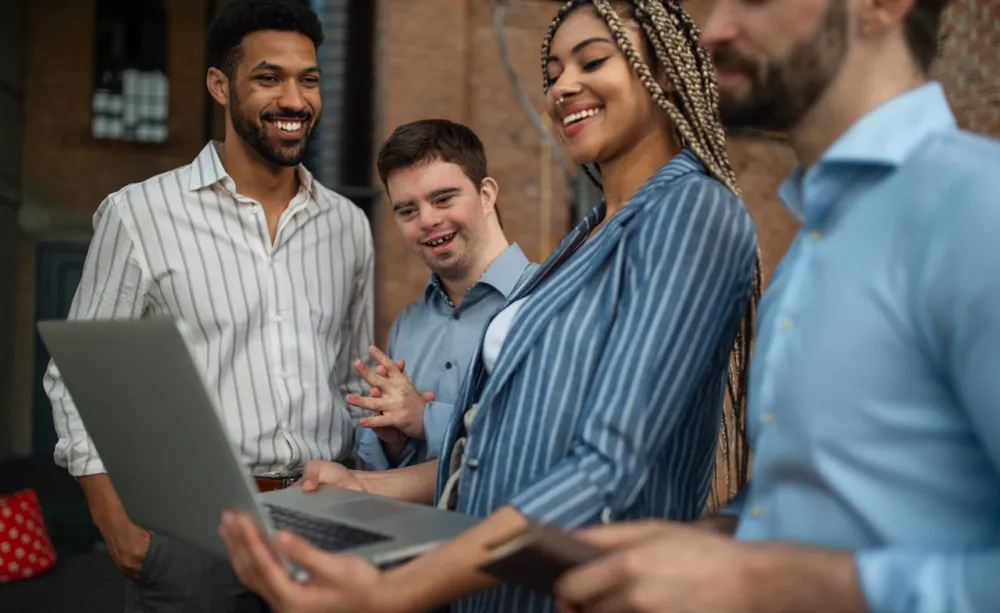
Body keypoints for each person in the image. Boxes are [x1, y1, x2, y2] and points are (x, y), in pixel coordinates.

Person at [218, 1, 764, 612]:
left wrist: (397, 591)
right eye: (552, 73)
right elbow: (493, 454)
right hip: (493, 592)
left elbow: (608, 466)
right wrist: (363, 485)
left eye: (592, 61)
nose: (562, 87)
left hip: (571, 592)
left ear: (661, 70)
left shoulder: (688, 211)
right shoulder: (591, 234)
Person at [550, 0, 1000, 612]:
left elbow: (791, 574)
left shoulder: (975, 209)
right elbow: (820, 510)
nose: (714, 30)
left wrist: (771, 583)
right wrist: (705, 542)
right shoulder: (810, 248)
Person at [43, 1, 374, 611]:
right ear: (220, 85)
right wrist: (112, 518)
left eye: (308, 79)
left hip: (326, 525)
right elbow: (77, 377)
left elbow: (352, 382)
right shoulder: (139, 214)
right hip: (192, 534)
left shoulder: (349, 226)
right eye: (269, 78)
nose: (295, 100)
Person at [352, 119, 534, 470]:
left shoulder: (549, 301)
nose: (427, 220)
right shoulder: (408, 324)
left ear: (486, 195)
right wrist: (394, 441)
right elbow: (376, 465)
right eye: (408, 210)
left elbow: (536, 445)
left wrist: (427, 419)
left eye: (443, 199)